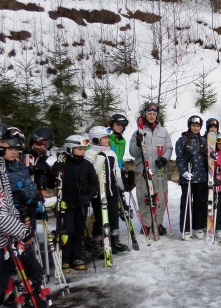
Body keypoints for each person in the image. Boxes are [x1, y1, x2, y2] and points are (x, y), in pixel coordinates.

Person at [0, 125, 40, 306]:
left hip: (8, 233)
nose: (10, 150)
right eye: (5, 144)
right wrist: (23, 231)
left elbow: (6, 203)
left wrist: (18, 219)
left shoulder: (4, 168)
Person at [51, 135, 98, 272]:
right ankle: (65, 259)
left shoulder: (87, 165)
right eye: (79, 149)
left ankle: (77, 257)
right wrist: (54, 171)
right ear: (70, 149)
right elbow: (51, 182)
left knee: (79, 230)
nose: (83, 151)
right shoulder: (63, 163)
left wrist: (88, 196)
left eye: (84, 149)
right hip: (67, 204)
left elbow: (94, 184)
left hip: (81, 203)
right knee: (66, 231)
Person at [129, 103, 173, 236]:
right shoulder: (138, 132)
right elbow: (133, 153)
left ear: (157, 115)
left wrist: (165, 159)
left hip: (159, 171)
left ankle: (158, 223)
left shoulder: (163, 132)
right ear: (145, 114)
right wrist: (138, 143)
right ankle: (147, 224)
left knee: (160, 198)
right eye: (149, 114)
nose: (152, 116)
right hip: (143, 171)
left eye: (154, 114)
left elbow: (169, 148)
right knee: (144, 198)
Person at [85, 126, 129, 257]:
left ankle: (114, 241)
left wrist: (122, 185)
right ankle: (96, 243)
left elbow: (116, 172)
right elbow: (93, 172)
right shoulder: (89, 154)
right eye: (105, 138)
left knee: (113, 216)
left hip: (111, 190)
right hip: (98, 192)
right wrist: (100, 157)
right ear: (96, 139)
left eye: (107, 138)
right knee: (99, 218)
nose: (108, 140)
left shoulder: (111, 153)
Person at [175, 116, 208, 240]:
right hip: (187, 178)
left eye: (198, 126)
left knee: (200, 203)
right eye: (193, 125)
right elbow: (179, 158)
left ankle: (198, 227)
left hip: (201, 178)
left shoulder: (203, 141)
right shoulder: (182, 140)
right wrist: (184, 172)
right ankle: (186, 229)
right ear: (190, 125)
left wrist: (211, 157)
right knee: (186, 203)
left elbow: (206, 158)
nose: (195, 128)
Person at [21, 127, 55, 193]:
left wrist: (53, 173)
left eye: (46, 144)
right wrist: (31, 169)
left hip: (36, 198)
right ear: (33, 141)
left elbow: (51, 185)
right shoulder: (22, 155)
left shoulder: (43, 164)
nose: (42, 146)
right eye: (39, 143)